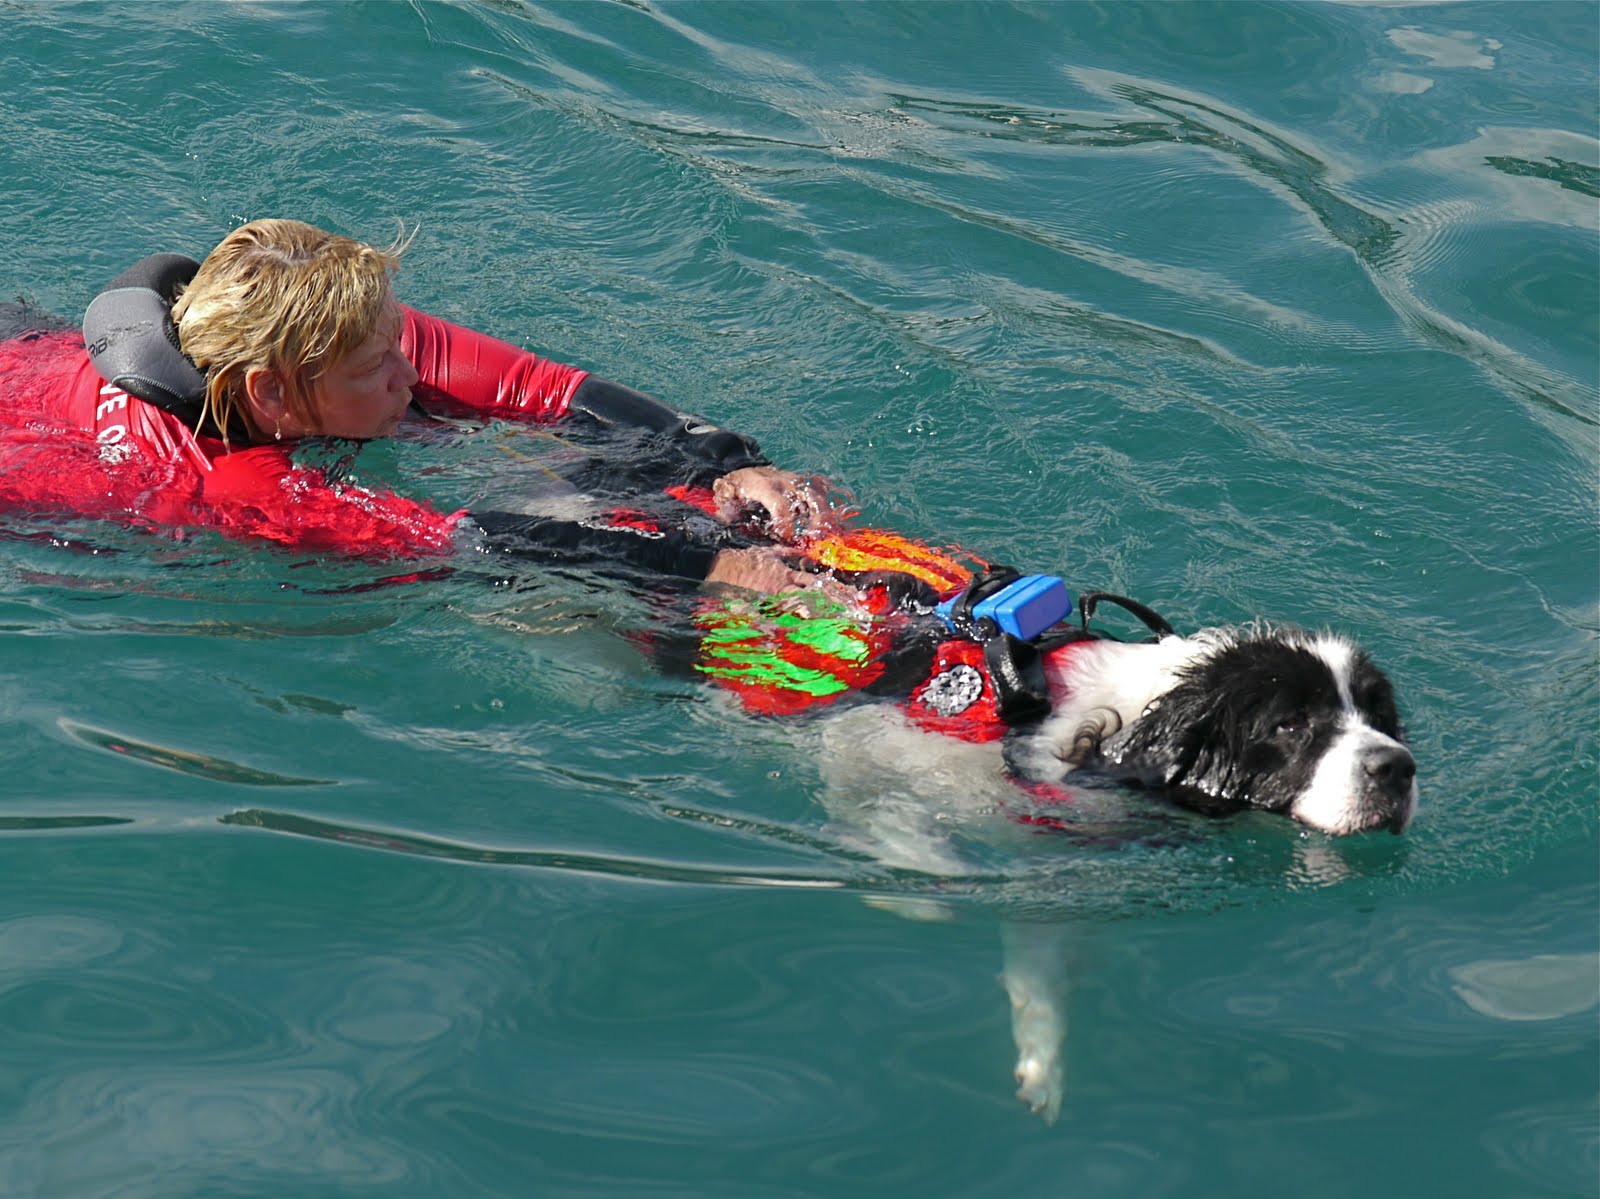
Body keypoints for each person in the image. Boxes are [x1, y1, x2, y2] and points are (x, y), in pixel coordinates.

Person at [0, 218, 842, 596]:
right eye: (376, 368)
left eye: (400, 343)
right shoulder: (240, 489)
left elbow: (547, 391)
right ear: (274, 396)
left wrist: (729, 461)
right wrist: (714, 570)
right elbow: (464, 542)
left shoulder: (333, 336)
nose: (413, 373)